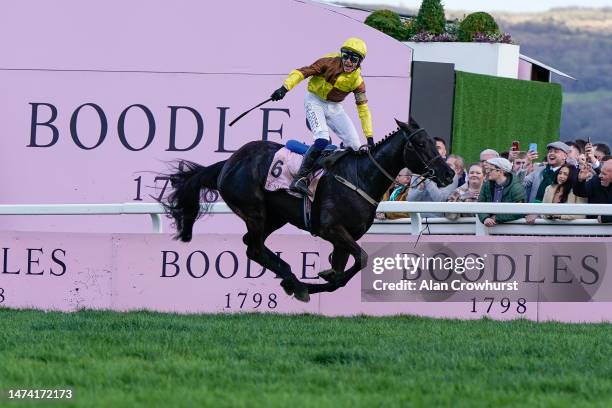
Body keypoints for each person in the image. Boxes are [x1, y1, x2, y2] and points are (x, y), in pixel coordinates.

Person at [270, 37, 374, 195]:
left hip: (335, 107)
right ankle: (301, 178)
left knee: (355, 145)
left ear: (359, 62)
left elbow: (363, 110)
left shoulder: (358, 82)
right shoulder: (328, 62)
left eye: (353, 59)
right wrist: (284, 88)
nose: (348, 61)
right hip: (314, 100)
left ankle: (345, 180)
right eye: (345, 56)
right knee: (322, 139)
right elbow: (302, 72)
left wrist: (370, 137)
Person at [478, 158, 526, 227]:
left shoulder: (516, 188)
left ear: (500, 172)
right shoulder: (487, 185)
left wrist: (497, 218)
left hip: (511, 228)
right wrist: (485, 218)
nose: (488, 172)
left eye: (491, 170)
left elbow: (520, 211)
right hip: (490, 228)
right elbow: (480, 204)